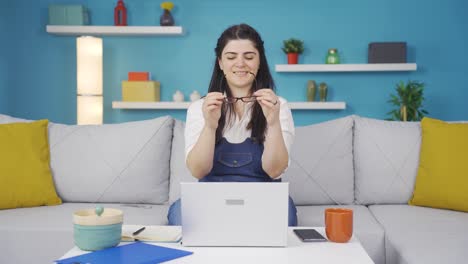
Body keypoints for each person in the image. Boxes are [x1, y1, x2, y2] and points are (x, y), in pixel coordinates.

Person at [168, 23, 297, 226]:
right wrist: (210, 126)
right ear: (220, 62)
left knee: (284, 220)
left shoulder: (278, 105)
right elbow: (198, 171)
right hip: (208, 198)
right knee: (181, 217)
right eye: (231, 57)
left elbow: (274, 170)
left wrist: (272, 123)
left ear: (259, 61)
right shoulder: (200, 108)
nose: (240, 64)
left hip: (263, 199)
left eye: (249, 56)